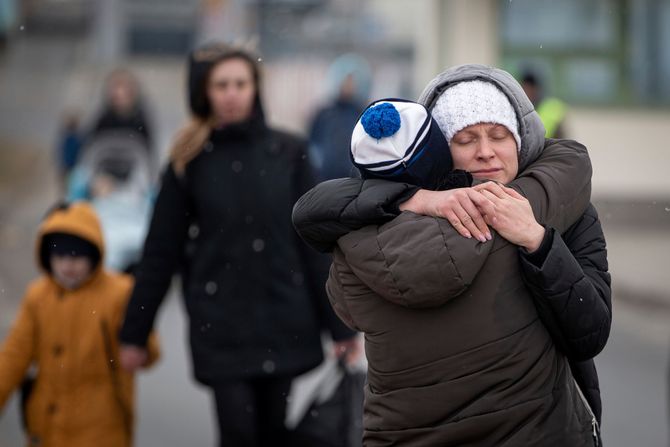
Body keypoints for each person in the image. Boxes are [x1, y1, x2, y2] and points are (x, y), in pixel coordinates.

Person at [293, 64, 611, 445]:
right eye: (465, 139)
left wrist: (539, 242)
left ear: (520, 139)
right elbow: (314, 209)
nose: (485, 152)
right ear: (440, 152)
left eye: (499, 135)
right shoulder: (403, 219)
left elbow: (589, 332)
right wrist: (414, 197)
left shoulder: (567, 214)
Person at [118, 42, 359, 447]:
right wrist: (134, 334)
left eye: (240, 84)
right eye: (221, 85)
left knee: (272, 432)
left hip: (283, 317)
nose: (231, 94)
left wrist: (341, 327)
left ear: (255, 88)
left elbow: (315, 246)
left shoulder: (289, 152)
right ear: (205, 92)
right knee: (238, 432)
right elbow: (161, 252)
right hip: (221, 323)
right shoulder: (188, 160)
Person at [0, 201, 160, 447]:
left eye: (77, 256)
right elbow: (13, 356)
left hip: (101, 428)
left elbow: (146, 345)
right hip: (45, 428)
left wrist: (141, 346)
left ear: (95, 254)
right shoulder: (38, 296)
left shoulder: (118, 293)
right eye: (60, 256)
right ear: (47, 256)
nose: (68, 265)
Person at [307, 53, 372, 182]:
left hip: (355, 180)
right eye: (346, 80)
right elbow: (312, 144)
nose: (349, 85)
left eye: (353, 81)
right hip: (325, 179)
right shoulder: (324, 113)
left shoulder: (365, 114)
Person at [89, 68, 153, 150]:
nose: (120, 94)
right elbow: (91, 146)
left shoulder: (141, 120)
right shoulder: (103, 120)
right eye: (116, 88)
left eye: (125, 90)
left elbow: (148, 151)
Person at [521, 69, 568, 138]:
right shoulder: (519, 106)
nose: (525, 91)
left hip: (548, 147)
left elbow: (562, 138)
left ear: (535, 88)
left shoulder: (552, 107)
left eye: (528, 88)